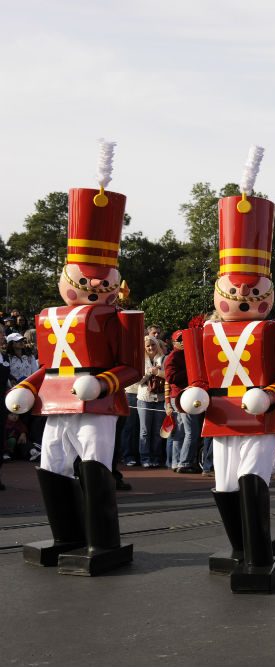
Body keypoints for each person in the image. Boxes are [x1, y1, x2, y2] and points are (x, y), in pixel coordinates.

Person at [5, 141, 144, 575]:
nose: (94, 287)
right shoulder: (47, 316)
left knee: (94, 460)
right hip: (56, 400)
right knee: (51, 461)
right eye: (86, 280)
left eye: (103, 281)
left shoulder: (123, 318)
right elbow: (48, 365)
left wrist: (103, 382)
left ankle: (101, 539)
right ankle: (65, 532)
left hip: (96, 400)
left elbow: (133, 367)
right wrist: (27, 387)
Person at [180, 146, 275, 593]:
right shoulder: (200, 332)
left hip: (259, 415)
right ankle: (241, 545)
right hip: (221, 416)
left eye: (255, 294)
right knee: (225, 484)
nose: (246, 301)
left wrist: (272, 394)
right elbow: (196, 376)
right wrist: (193, 393)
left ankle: (256, 554)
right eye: (237, 293)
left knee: (252, 478)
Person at [164, 328, 201, 473]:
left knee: (181, 432)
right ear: (174, 342)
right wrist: (190, 371)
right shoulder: (173, 357)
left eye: (185, 339)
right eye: (180, 340)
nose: (184, 342)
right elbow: (170, 378)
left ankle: (177, 462)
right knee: (191, 431)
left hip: (181, 396)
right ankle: (184, 463)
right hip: (182, 397)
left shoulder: (184, 355)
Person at [137, 336, 166, 468]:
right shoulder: (140, 360)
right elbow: (137, 381)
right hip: (144, 399)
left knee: (157, 431)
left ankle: (155, 457)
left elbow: (169, 376)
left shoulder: (164, 359)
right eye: (148, 346)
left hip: (160, 398)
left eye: (153, 345)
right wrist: (148, 373)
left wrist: (158, 372)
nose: (150, 348)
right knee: (144, 431)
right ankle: (145, 458)